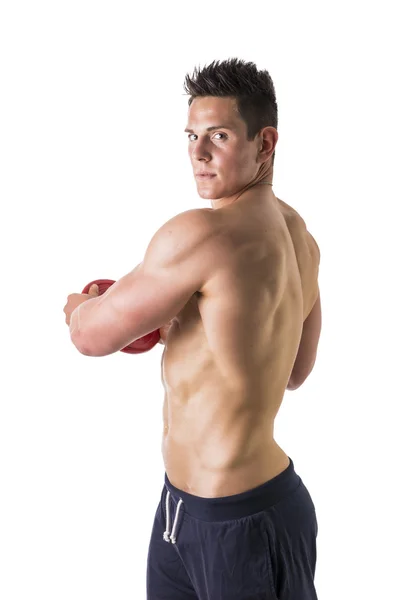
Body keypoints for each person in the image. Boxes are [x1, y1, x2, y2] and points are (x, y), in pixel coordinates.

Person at [67, 58, 322, 599]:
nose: (198, 154)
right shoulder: (301, 236)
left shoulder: (200, 235)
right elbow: (292, 369)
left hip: (237, 524)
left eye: (220, 135)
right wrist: (187, 325)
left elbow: (90, 336)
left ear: (265, 141)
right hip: (185, 513)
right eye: (191, 135)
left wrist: (81, 304)